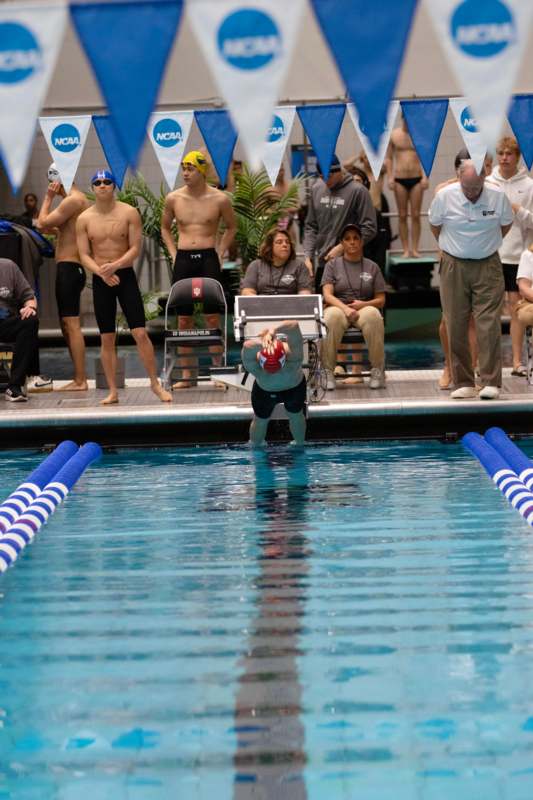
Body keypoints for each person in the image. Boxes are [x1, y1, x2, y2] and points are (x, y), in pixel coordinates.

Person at [76, 170, 171, 405]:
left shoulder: (129, 213)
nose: (102, 186)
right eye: (97, 182)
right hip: (101, 280)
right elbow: (84, 254)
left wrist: (114, 266)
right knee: (106, 337)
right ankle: (112, 391)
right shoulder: (84, 219)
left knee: (140, 332)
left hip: (125, 276)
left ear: (113, 185)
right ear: (93, 187)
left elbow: (135, 249)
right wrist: (101, 272)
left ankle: (154, 384)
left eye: (107, 182)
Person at [428, 160, 513, 400]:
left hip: (488, 264)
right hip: (454, 264)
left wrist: (484, 245)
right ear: (458, 180)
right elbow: (435, 226)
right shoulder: (445, 196)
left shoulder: (497, 196)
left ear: (485, 180)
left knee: (488, 323)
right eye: (467, 188)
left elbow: (506, 224)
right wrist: (454, 248)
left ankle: (490, 381)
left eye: (477, 188)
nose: (472, 194)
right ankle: (463, 381)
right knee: (455, 323)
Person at [161, 150, 237, 388]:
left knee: (212, 317)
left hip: (208, 259)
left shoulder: (220, 199)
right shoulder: (173, 199)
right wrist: (173, 254)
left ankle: (218, 373)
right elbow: (164, 228)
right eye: (183, 168)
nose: (185, 173)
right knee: (183, 320)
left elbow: (232, 227)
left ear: (202, 171)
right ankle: (187, 376)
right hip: (183, 259)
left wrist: (220, 250)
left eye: (190, 168)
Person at [36, 163, 91, 391]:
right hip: (68, 267)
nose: (53, 188)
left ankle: (81, 380)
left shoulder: (72, 199)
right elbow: (57, 228)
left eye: (53, 184)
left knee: (71, 324)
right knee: (65, 326)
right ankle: (79, 377)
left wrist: (48, 198)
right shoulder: (75, 202)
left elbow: (41, 222)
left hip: (70, 267)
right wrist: (59, 231)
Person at [487, 136, 533, 376]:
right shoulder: (488, 183)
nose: (504, 158)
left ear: (517, 157)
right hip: (491, 255)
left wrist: (520, 212)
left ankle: (516, 361)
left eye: (509, 154)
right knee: (490, 311)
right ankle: (489, 363)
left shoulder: (529, 185)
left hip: (517, 257)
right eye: (501, 153)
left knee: (516, 310)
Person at [320, 223, 386, 390]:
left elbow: (381, 300)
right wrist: (345, 308)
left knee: (374, 316)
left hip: (363, 307)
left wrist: (364, 304)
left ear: (362, 242)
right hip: (338, 306)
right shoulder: (332, 265)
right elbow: (327, 294)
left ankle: (377, 370)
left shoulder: (372, 266)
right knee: (330, 317)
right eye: (347, 239)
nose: (352, 242)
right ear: (342, 243)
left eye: (356, 238)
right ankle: (327, 371)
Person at [303, 154, 377, 290]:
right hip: (323, 262)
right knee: (324, 307)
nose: (325, 180)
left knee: (349, 307)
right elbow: (311, 227)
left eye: (329, 176)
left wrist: (342, 247)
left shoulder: (358, 191)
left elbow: (370, 227)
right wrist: (307, 256)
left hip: (350, 262)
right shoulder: (316, 189)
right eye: (321, 176)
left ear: (339, 171)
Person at [241, 320, 306, 447]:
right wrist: (273, 331)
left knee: (260, 420)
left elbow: (247, 346)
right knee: (296, 416)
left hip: (265, 391)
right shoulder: (294, 359)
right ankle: (299, 444)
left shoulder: (255, 368)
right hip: (294, 388)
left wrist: (264, 342)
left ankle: (255, 445)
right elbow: (294, 325)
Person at [385, 115, 428, 258]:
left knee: (415, 215)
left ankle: (415, 249)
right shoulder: (394, 135)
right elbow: (389, 158)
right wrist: (390, 177)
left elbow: (425, 156)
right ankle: (405, 250)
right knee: (402, 215)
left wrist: (425, 176)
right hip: (399, 179)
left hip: (416, 178)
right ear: (403, 118)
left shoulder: (419, 135)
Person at [0, 258, 39, 402]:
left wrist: (30, 307)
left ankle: (14, 386)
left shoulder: (8, 266)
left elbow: (29, 296)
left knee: (30, 321)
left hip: (4, 321)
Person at [241, 229, 313, 296]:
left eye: (287, 242)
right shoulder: (256, 265)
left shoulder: (299, 266)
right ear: (269, 246)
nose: (285, 245)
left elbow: (305, 293)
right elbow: (247, 291)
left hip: (290, 307)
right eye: (279, 242)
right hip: (262, 306)